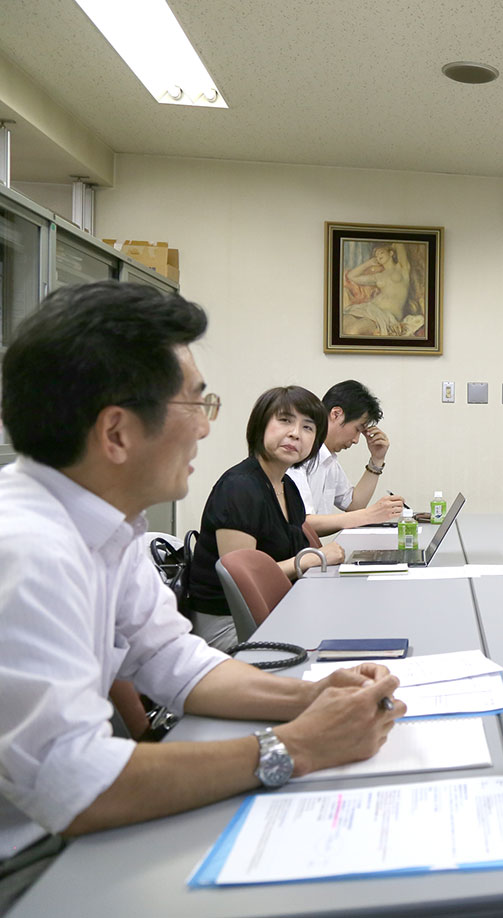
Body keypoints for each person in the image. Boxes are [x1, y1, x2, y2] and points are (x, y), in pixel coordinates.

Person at [0, 282, 403, 910]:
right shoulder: (27, 549)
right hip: (30, 863)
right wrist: (296, 745)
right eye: (195, 402)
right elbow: (75, 788)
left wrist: (311, 697)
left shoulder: (110, 523)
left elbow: (175, 662)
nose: (207, 425)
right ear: (117, 432)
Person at [185, 386, 344, 650]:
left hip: (275, 608)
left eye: (308, 428)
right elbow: (241, 580)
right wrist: (317, 558)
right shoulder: (239, 487)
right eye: (284, 421)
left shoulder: (286, 486)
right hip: (228, 623)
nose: (295, 433)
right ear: (260, 426)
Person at [286, 379, 403, 536]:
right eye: (357, 429)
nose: (355, 440)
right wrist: (370, 515)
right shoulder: (299, 455)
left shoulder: (328, 459)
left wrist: (376, 459)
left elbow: (353, 505)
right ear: (336, 414)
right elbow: (303, 523)